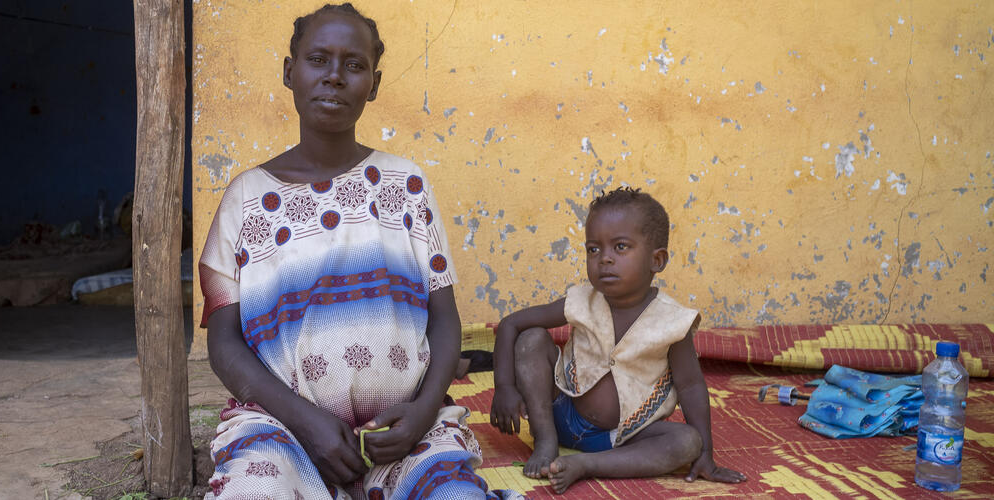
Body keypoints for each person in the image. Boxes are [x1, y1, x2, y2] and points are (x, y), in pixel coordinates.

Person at [199, 4, 521, 499]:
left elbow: (444, 319)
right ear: (290, 72)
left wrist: (422, 411)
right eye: (318, 60)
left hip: (403, 433)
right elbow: (223, 345)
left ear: (372, 83)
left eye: (353, 65)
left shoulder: (405, 185)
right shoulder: (246, 200)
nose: (334, 77)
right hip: (282, 428)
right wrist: (305, 421)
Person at [490, 187, 747, 493]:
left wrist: (705, 455)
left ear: (657, 260)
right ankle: (545, 441)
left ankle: (588, 465)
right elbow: (511, 324)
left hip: (623, 436)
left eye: (620, 247)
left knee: (687, 442)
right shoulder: (581, 301)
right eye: (593, 249)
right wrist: (504, 387)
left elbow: (691, 386)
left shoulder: (671, 322)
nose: (604, 260)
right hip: (559, 414)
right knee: (531, 339)